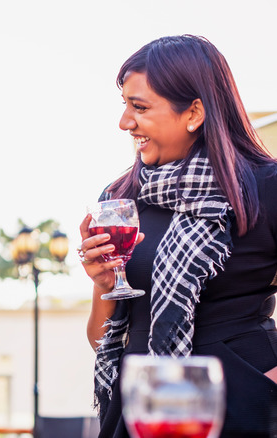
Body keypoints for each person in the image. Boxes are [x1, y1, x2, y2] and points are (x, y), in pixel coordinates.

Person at [78, 34, 277, 437]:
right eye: (125, 106)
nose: (125, 122)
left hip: (242, 410)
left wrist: (265, 387)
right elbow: (101, 340)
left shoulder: (265, 187)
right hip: (140, 409)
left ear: (194, 112)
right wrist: (103, 286)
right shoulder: (119, 200)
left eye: (140, 107)